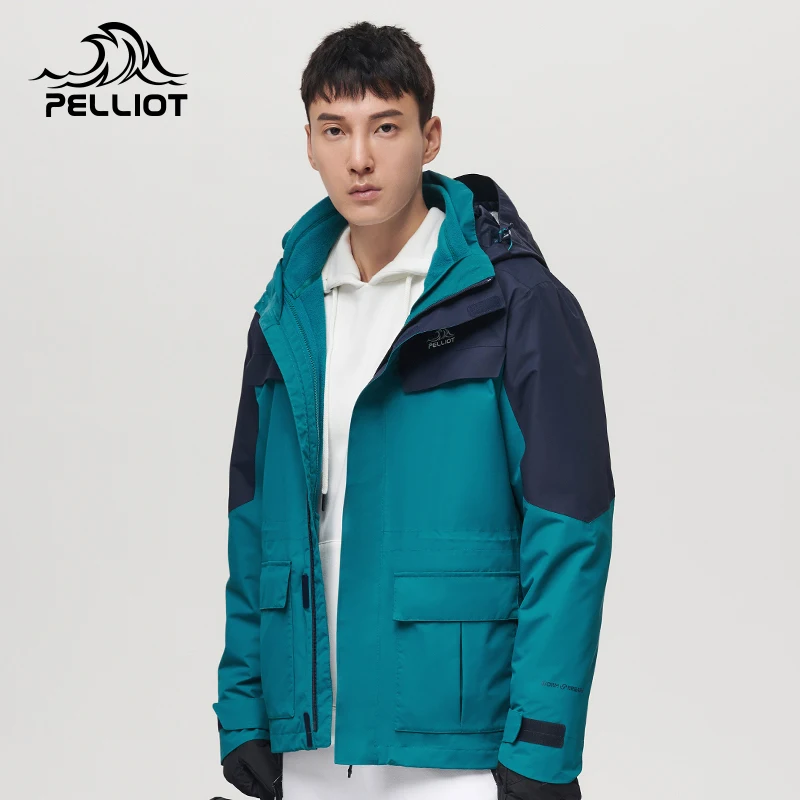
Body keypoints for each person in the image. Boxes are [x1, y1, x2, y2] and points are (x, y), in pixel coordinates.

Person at [213, 21, 614, 800]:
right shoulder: (284, 315)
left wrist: (541, 740)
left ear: (430, 138)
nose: (359, 157)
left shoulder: (517, 304)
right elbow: (252, 529)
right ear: (309, 145)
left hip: (459, 749)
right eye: (335, 130)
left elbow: (570, 532)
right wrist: (243, 708)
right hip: (308, 741)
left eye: (386, 127)